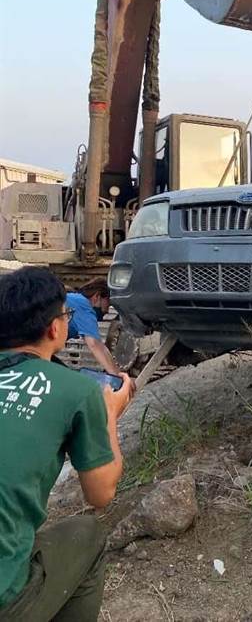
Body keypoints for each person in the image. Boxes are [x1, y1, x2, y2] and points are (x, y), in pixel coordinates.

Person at [0, 266, 133, 621]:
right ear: (55, 327)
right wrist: (108, 413)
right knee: (86, 535)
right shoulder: (76, 390)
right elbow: (100, 494)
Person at [66, 279, 120, 376]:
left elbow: (101, 346)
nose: (107, 310)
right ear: (97, 296)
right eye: (108, 302)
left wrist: (116, 371)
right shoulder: (84, 305)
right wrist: (117, 377)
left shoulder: (74, 300)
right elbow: (95, 344)